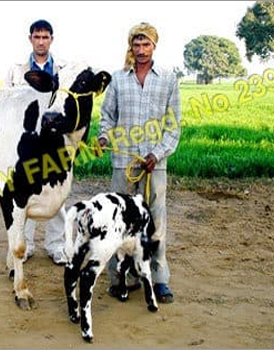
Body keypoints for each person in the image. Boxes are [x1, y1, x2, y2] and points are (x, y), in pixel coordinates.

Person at [98, 22, 181, 303]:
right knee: (119, 222)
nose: (142, 50)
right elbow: (107, 116)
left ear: (154, 46)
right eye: (137, 44)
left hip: (155, 165)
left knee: (156, 222)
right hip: (124, 161)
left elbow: (173, 126)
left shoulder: (168, 79)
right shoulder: (118, 79)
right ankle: (123, 277)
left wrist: (156, 154)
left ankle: (159, 279)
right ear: (130, 47)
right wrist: (103, 137)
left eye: (147, 45)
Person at [5, 19, 67, 265]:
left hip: (56, 141)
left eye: (45, 37)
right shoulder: (16, 70)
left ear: (52, 39)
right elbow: (5, 105)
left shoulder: (64, 70)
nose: (41, 41)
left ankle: (57, 246)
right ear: (30, 38)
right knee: (25, 193)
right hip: (27, 142)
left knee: (57, 193)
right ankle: (27, 244)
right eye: (37, 37)